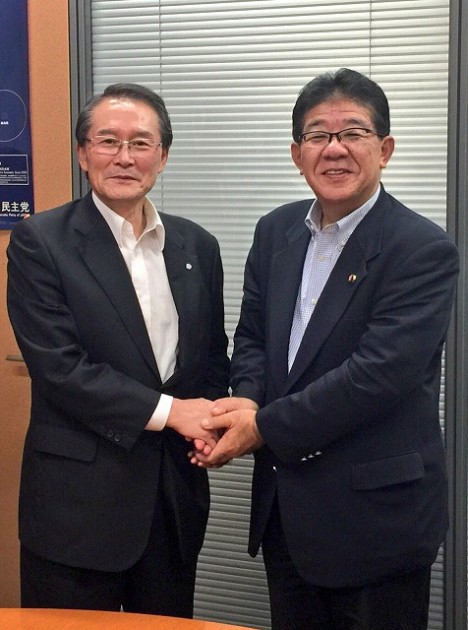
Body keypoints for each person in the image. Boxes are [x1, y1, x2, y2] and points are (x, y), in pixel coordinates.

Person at [191, 68, 459, 629]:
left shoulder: (421, 248)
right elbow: (253, 336)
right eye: (318, 135)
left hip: (376, 520)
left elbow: (377, 376)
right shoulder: (275, 231)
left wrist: (260, 426)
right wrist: (247, 397)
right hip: (288, 511)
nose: (334, 149)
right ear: (297, 154)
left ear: (385, 149)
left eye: (353, 133)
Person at [7, 83, 229, 617]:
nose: (124, 157)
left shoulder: (197, 245)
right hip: (77, 509)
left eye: (141, 143)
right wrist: (176, 413)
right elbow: (61, 369)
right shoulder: (42, 242)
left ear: (163, 156)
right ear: (83, 154)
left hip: (172, 501)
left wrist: (215, 421)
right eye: (108, 141)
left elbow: (210, 356)